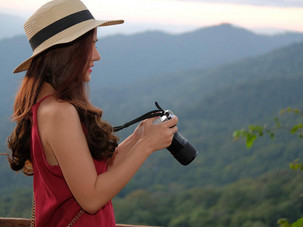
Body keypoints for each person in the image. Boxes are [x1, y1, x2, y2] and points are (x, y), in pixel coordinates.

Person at [7, 0, 178, 226]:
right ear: (68, 51)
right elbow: (91, 198)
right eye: (92, 45)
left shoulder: (47, 106)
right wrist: (147, 146)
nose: (97, 55)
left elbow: (94, 174)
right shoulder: (59, 112)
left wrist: (138, 138)